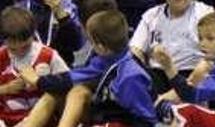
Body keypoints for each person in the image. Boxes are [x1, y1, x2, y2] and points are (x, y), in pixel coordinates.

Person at [19, 10, 156, 127]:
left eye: (91, 41)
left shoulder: (130, 76)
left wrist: (37, 80)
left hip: (123, 122)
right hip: (104, 111)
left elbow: (146, 119)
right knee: (73, 91)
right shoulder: (106, 59)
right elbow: (69, 79)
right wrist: (40, 81)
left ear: (101, 47)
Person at [129, 0, 213, 93]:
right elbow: (135, 51)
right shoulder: (151, 15)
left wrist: (182, 90)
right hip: (157, 74)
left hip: (191, 76)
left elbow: (213, 57)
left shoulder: (205, 13)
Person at [0, 7, 68, 126]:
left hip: (42, 119)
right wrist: (6, 89)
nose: (19, 52)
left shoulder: (49, 56)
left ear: (33, 35)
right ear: (4, 41)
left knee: (54, 95)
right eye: (13, 49)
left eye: (25, 47)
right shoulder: (1, 56)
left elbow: (69, 86)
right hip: (6, 119)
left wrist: (42, 83)